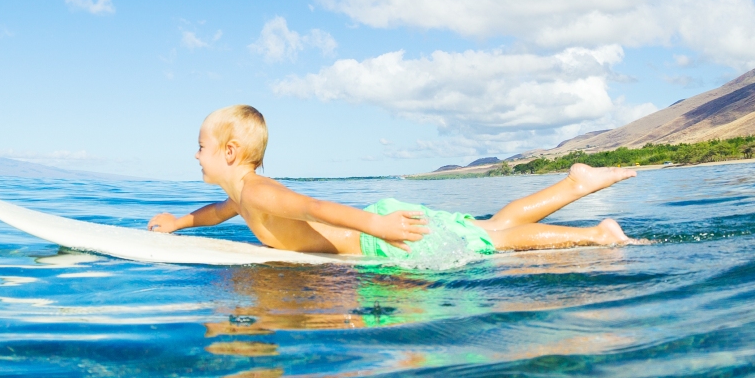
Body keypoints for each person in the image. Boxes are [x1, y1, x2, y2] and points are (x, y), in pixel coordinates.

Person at [147, 105, 635, 259]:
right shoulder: (241, 195)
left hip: (377, 239)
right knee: (483, 225)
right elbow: (217, 212)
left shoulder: (257, 190)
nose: (195, 154)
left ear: (230, 153)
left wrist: (378, 227)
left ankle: (596, 235)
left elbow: (314, 207)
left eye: (201, 146)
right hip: (375, 228)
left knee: (490, 240)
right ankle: (573, 185)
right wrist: (179, 222)